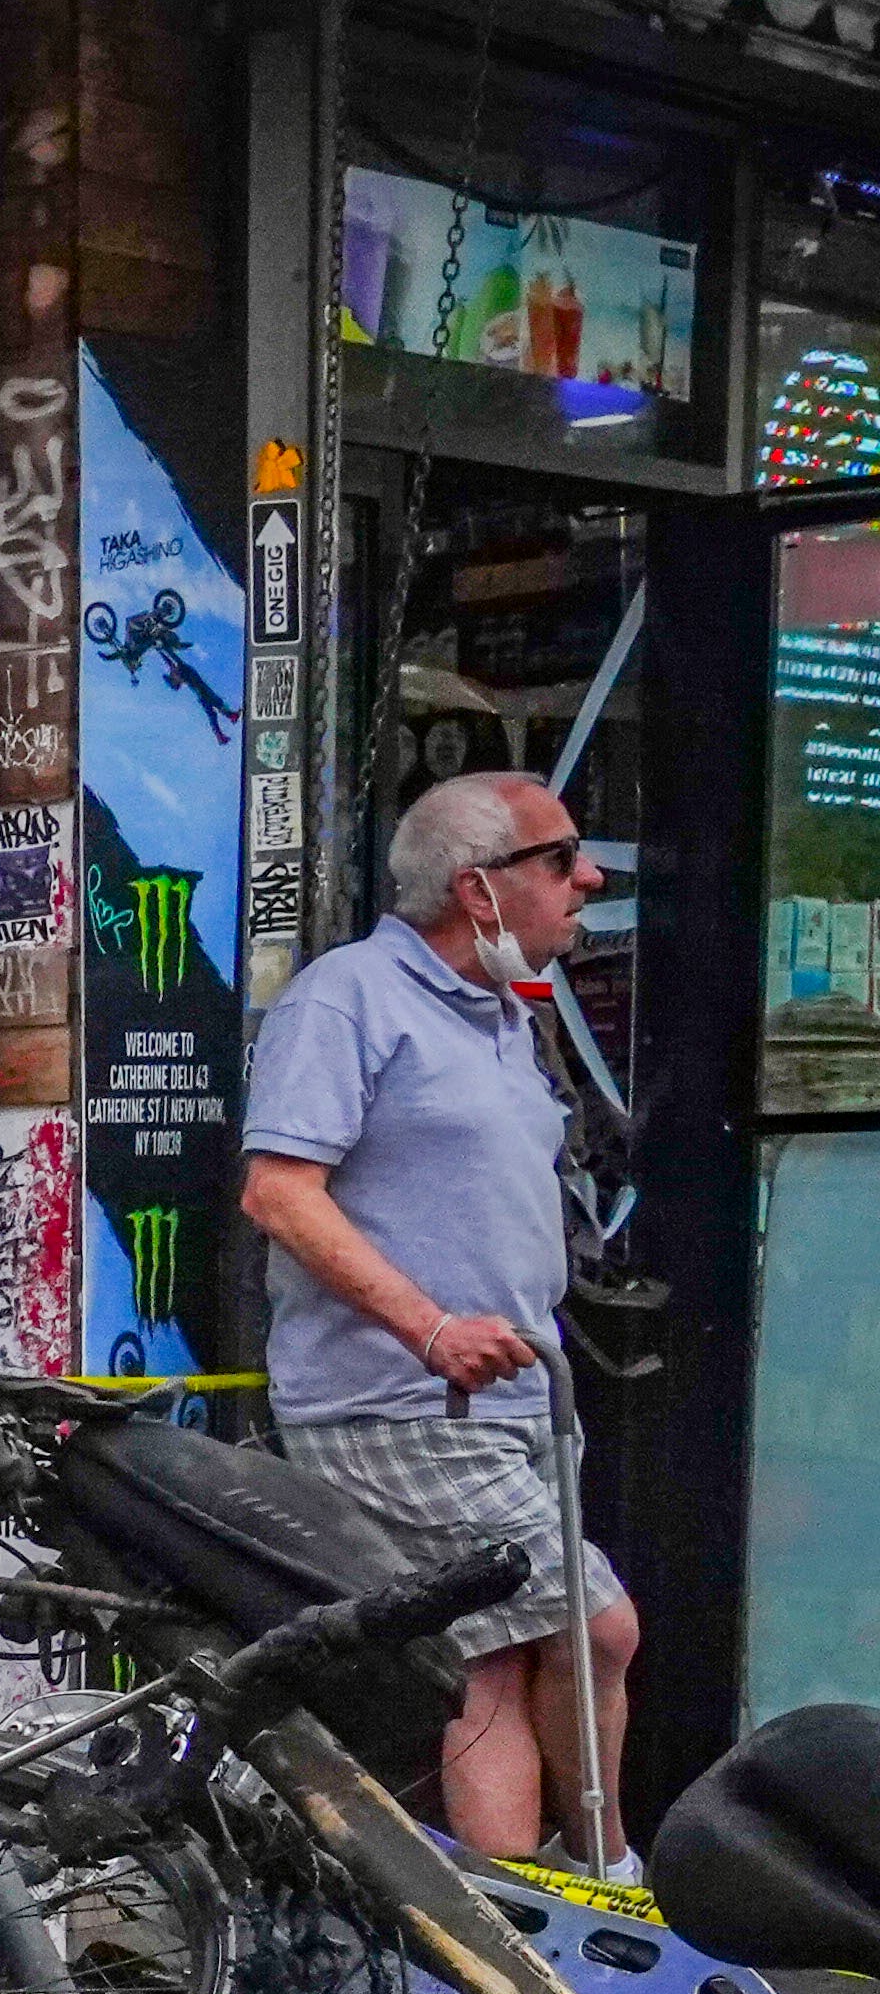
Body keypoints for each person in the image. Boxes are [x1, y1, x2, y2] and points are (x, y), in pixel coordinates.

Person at [241, 767, 632, 1861]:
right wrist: (428, 1328)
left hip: (511, 1402)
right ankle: (600, 1889)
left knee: (498, 1653)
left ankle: (510, 1930)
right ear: (479, 888)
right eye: (561, 858)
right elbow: (278, 1192)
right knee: (596, 1626)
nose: (588, 877)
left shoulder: (504, 1013)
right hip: (398, 1401)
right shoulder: (348, 997)